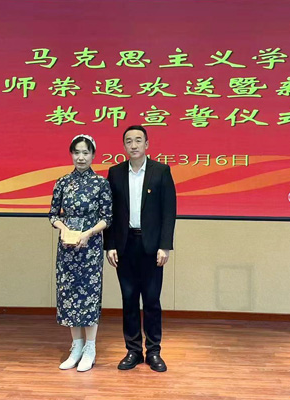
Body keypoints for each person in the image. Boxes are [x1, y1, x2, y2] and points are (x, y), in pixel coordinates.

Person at [104, 125, 176, 372]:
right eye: (128, 141)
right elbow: (110, 213)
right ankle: (133, 351)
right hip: (125, 245)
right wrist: (110, 245)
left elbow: (169, 212)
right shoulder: (115, 173)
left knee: (152, 300)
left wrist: (165, 246)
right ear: (124, 146)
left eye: (138, 140)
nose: (133, 145)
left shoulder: (161, 171)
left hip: (152, 246)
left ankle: (154, 351)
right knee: (129, 299)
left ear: (147, 144)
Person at [49, 134, 112, 372]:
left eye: (86, 152)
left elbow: (107, 218)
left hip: (90, 247)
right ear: (71, 154)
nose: (81, 157)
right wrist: (64, 228)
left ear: (93, 155)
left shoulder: (101, 183)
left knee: (89, 295)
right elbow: (53, 215)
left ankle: (90, 348)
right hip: (67, 248)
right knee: (68, 294)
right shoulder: (62, 182)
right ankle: (76, 346)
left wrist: (88, 233)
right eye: (77, 152)